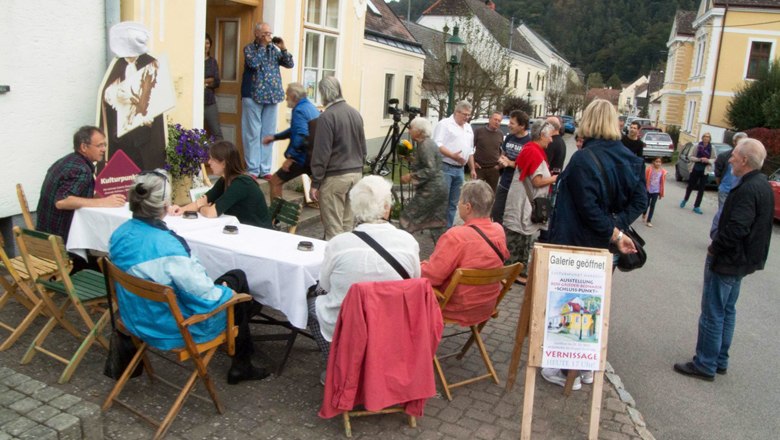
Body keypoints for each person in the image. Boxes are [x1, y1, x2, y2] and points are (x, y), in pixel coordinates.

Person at [109, 171, 268, 385]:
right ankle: (241, 363)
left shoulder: (119, 233)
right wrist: (228, 294)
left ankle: (240, 348)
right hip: (172, 327)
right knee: (237, 284)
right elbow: (205, 295)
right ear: (165, 206)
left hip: (134, 316)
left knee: (232, 281)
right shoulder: (168, 248)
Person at [545, 99, 647, 390]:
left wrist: (614, 230)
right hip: (606, 248)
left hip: (578, 245)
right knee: (593, 303)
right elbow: (640, 201)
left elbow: (588, 209)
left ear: (588, 121)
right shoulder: (630, 158)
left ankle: (567, 370)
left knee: (570, 304)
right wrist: (617, 225)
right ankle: (585, 368)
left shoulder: (583, 159)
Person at [673, 138, 774, 381]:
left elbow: (737, 228)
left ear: (744, 160)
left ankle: (706, 363)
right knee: (727, 310)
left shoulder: (749, 189)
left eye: (733, 156)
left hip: (729, 259)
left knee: (713, 312)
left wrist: (715, 248)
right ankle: (719, 360)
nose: (729, 159)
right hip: (741, 260)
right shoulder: (761, 185)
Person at [307, 176, 420, 383]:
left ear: (356, 208)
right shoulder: (408, 242)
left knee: (310, 305)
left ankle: (336, 366)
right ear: (387, 208)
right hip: (392, 322)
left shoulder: (338, 244)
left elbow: (324, 286)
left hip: (349, 324)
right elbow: (414, 282)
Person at [36, 126, 127, 271]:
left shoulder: (66, 161)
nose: (103, 149)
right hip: (61, 241)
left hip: (43, 234)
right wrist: (103, 202)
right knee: (108, 252)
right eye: (99, 145)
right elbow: (61, 201)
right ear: (84, 147)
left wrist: (99, 197)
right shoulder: (82, 170)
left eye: (105, 145)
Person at [421, 180, 509, 326]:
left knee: (409, 283)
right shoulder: (499, 230)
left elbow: (432, 277)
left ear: (468, 207)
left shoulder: (456, 236)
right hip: (485, 306)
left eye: (460, 201)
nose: (457, 204)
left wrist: (419, 265)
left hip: (455, 307)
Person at [308, 77, 367, 240]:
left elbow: (321, 153)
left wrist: (315, 183)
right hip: (355, 174)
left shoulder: (327, 117)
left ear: (324, 93)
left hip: (335, 177)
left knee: (333, 229)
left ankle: (334, 263)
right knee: (348, 227)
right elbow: (363, 149)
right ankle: (348, 261)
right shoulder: (355, 113)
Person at [170, 141, 271, 228]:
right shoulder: (225, 180)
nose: (209, 162)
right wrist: (181, 209)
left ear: (224, 163)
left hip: (259, 235)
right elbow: (204, 200)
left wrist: (201, 208)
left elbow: (211, 213)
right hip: (240, 230)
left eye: (212, 159)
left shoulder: (242, 183)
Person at [503, 122, 557, 283]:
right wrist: (554, 178)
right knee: (522, 237)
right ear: (542, 135)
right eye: (550, 136)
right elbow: (537, 181)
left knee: (516, 235)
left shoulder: (528, 148)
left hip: (520, 201)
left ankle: (511, 272)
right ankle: (516, 273)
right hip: (524, 203)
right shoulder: (535, 152)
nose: (551, 140)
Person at [241, 22, 294, 179]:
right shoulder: (250, 49)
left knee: (268, 134)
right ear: (257, 34)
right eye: (266, 33)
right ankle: (252, 169)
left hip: (272, 96)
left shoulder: (274, 50)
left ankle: (265, 169)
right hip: (253, 95)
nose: (269, 36)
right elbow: (253, 63)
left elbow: (289, 64)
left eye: (270, 33)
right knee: (252, 134)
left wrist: (283, 48)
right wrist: (263, 47)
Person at [262, 82, 320, 199]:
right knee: (320, 188)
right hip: (313, 156)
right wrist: (275, 137)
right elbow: (296, 129)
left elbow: (301, 135)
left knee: (275, 181)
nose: (285, 98)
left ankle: (276, 216)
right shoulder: (310, 107)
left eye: (287, 95)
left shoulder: (298, 110)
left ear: (294, 96)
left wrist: (291, 158)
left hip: (301, 158)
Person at [399, 117, 448, 235]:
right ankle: (443, 251)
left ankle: (400, 246)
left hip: (431, 190)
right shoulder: (427, 143)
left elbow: (430, 169)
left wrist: (410, 176)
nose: (409, 131)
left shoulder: (425, 145)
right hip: (440, 188)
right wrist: (411, 159)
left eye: (411, 128)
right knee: (436, 223)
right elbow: (428, 163)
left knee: (406, 218)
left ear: (419, 131)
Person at [433, 101, 476, 228]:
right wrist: (453, 156)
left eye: (469, 115)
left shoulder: (468, 128)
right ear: (457, 112)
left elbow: (470, 150)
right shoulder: (445, 124)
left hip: (460, 170)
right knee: (442, 202)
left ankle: (448, 229)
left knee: (454, 203)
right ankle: (438, 230)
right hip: (445, 167)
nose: (467, 117)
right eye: (465, 114)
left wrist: (472, 168)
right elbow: (437, 144)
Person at [491, 110, 531, 224]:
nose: (509, 125)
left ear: (522, 126)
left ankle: (510, 239)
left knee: (513, 215)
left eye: (512, 123)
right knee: (496, 211)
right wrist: (500, 162)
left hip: (519, 185)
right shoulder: (509, 138)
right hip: (504, 182)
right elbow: (503, 155)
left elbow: (527, 166)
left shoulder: (529, 142)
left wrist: (511, 163)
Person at [710, 132, 747, 238]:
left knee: (734, 216)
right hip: (725, 190)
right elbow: (718, 173)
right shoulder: (724, 156)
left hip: (739, 191)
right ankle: (718, 236)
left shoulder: (746, 159)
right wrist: (720, 186)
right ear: (734, 142)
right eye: (740, 142)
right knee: (723, 214)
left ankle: (728, 237)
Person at [680, 132, 715, 215]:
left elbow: (714, 158)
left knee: (701, 189)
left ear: (710, 139)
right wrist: (699, 159)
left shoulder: (711, 148)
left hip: (705, 170)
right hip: (695, 168)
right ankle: (685, 199)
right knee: (690, 186)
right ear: (702, 138)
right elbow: (690, 156)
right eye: (705, 137)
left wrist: (708, 160)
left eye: (708, 137)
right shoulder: (697, 146)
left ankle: (696, 206)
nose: (706, 138)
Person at [472, 111, 504, 191]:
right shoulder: (479, 131)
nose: (497, 122)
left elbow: (502, 151)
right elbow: (470, 148)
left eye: (499, 121)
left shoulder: (500, 134)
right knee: (475, 192)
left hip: (493, 169)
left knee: (491, 194)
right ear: (490, 119)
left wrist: (499, 165)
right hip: (479, 168)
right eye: (495, 119)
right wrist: (473, 163)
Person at [203, 33, 223, 140]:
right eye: (203, 43)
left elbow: (216, 81)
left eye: (207, 43)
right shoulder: (195, 61)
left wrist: (204, 82)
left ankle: (222, 156)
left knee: (217, 133)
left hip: (209, 102)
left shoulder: (212, 62)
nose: (205, 45)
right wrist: (208, 80)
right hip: (196, 102)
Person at [643, 157, 666, 227]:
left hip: (656, 191)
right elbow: (645, 179)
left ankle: (649, 220)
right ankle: (644, 213)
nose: (658, 163)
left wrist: (661, 193)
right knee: (646, 204)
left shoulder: (662, 172)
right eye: (656, 161)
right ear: (653, 162)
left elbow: (662, 183)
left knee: (653, 205)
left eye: (659, 162)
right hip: (648, 190)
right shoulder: (649, 170)